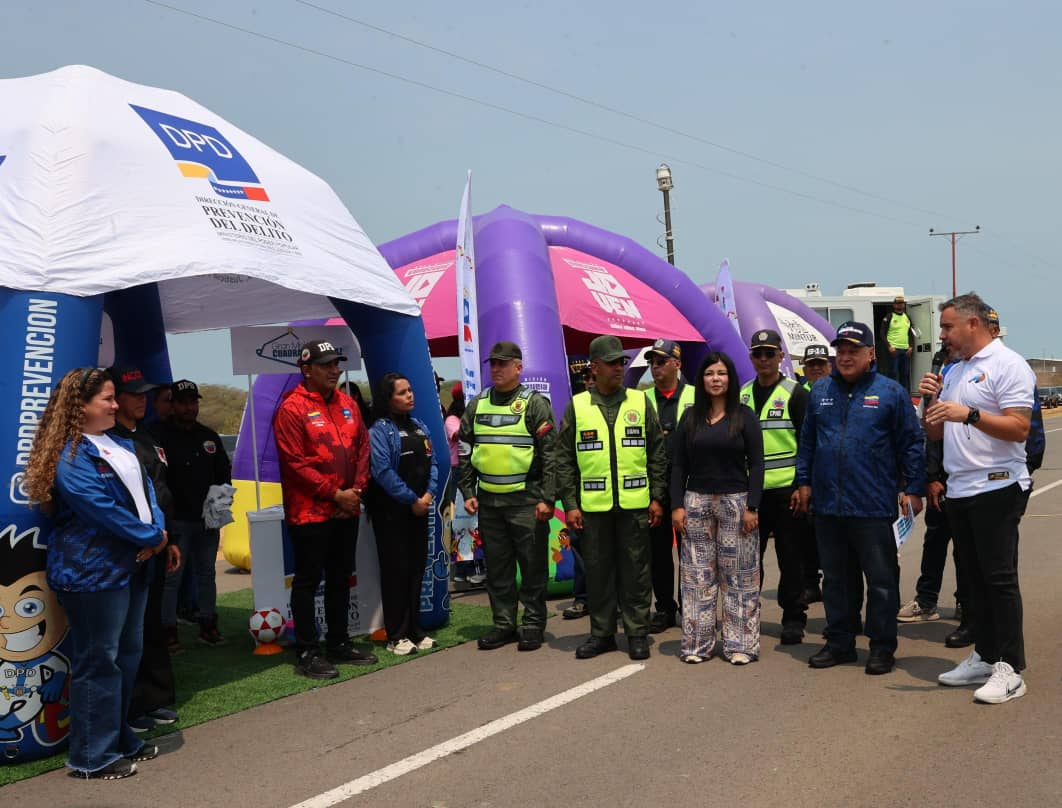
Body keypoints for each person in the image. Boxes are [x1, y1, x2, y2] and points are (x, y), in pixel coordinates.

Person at [23, 368, 168, 780]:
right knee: (98, 660)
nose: (116, 404)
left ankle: (119, 737)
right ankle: (92, 756)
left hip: (133, 565)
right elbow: (98, 507)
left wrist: (157, 532)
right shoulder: (71, 455)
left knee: (127, 654)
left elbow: (149, 494)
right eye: (107, 398)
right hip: (93, 571)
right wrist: (151, 536)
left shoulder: (120, 444)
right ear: (80, 406)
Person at [922, 293, 1035, 703]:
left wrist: (968, 414)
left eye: (948, 326)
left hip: (998, 485)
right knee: (972, 580)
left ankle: (1011, 668)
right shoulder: (954, 370)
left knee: (999, 579)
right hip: (960, 487)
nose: (942, 335)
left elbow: (1019, 428)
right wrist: (931, 401)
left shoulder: (1009, 364)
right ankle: (985, 657)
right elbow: (935, 432)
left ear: (973, 324)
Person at [796, 321, 925, 676]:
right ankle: (840, 642)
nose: (845, 357)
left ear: (870, 354)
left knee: (881, 581)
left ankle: (882, 647)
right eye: (840, 351)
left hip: (873, 505)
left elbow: (912, 443)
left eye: (853, 351)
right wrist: (803, 482)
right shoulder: (821, 390)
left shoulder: (890, 392)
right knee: (836, 580)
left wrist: (914, 488)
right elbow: (807, 442)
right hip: (828, 506)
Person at [552, 335, 667, 660]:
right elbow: (564, 459)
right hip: (593, 508)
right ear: (595, 367)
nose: (619, 368)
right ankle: (602, 634)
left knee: (636, 572)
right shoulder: (577, 406)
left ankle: (637, 632)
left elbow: (657, 453)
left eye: (621, 362)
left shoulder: (639, 401)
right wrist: (570, 504)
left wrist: (657, 497)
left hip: (635, 506)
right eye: (612, 362)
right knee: (598, 573)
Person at [273, 341, 377, 679]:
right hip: (310, 513)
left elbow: (363, 450)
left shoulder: (349, 404)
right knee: (307, 581)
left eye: (336, 364)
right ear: (306, 369)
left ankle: (339, 642)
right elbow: (295, 464)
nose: (334, 370)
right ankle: (307, 651)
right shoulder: (292, 409)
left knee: (340, 577)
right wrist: (335, 495)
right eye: (326, 365)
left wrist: (355, 492)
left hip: (347, 509)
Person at [458, 341, 556, 652]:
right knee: (498, 568)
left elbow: (550, 455)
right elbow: (465, 450)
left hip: (527, 501)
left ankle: (533, 624)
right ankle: (503, 625)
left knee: (532, 567)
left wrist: (547, 498)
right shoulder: (477, 404)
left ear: (518, 367)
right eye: (493, 364)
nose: (497, 369)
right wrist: (468, 490)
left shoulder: (534, 404)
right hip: (489, 502)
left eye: (503, 363)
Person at [671, 351, 764, 664]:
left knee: (739, 577)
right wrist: (676, 506)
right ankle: (697, 645)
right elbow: (678, 465)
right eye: (710, 373)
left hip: (736, 503)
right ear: (701, 379)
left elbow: (757, 464)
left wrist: (753, 506)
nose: (715, 379)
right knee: (697, 578)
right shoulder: (690, 418)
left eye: (721, 373)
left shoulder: (744, 416)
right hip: (696, 502)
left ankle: (741, 646)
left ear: (730, 378)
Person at [105, 367, 181, 734]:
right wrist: (146, 539)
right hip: (131, 548)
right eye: (133, 393)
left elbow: (161, 491)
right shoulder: (108, 441)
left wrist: (170, 539)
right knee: (126, 633)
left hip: (159, 540)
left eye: (145, 393)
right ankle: (131, 707)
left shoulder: (147, 436)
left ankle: (155, 698)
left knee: (151, 624)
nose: (142, 399)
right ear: (114, 398)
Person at [739, 329, 810, 644]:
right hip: (751, 495)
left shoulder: (796, 393)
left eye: (770, 353)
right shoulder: (741, 395)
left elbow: (808, 443)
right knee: (749, 561)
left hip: (786, 493)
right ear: (751, 357)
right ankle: (747, 617)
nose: (764, 359)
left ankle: (793, 618)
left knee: (791, 559)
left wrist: (802, 484)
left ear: (781, 356)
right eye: (758, 354)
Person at [153, 380, 231, 649]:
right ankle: (168, 630)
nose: (189, 408)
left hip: (207, 520)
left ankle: (208, 624)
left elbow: (223, 475)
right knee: (171, 579)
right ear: (173, 405)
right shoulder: (158, 435)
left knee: (207, 574)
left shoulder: (208, 436)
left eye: (193, 402)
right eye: (183, 403)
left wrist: (219, 508)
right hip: (175, 522)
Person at [368, 373, 438, 656]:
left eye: (410, 390)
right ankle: (396, 635)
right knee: (396, 571)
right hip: (392, 512)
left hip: (420, 509)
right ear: (388, 399)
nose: (409, 395)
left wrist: (428, 495)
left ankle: (415, 630)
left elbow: (434, 464)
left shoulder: (420, 426)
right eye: (402, 392)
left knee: (416, 570)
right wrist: (411, 500)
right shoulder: (379, 431)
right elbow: (382, 471)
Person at [643, 338, 694, 634]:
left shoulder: (695, 396)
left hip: (689, 488)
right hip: (654, 490)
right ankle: (664, 608)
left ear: (677, 364)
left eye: (661, 361)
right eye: (652, 361)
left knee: (691, 552)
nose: (655, 366)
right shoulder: (641, 399)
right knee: (658, 553)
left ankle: (691, 605)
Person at [797, 343, 831, 604]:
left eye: (821, 363)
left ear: (829, 366)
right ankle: (810, 583)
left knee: (832, 536)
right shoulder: (798, 394)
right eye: (811, 364)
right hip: (806, 473)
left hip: (831, 474)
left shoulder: (836, 391)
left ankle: (833, 582)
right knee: (806, 534)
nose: (816, 368)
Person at [445, 383, 484, 585]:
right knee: (462, 520)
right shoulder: (452, 420)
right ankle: (466, 568)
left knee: (471, 520)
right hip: (458, 471)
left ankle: (467, 568)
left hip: (471, 468)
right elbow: (459, 435)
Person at [879, 295, 915, 391]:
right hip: (894, 350)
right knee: (893, 373)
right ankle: (892, 393)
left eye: (902, 303)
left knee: (905, 373)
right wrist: (889, 346)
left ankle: (904, 394)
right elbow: (882, 333)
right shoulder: (889, 317)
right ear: (894, 305)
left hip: (905, 350)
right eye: (898, 303)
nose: (900, 305)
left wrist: (911, 346)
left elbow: (911, 333)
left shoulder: (907, 317)